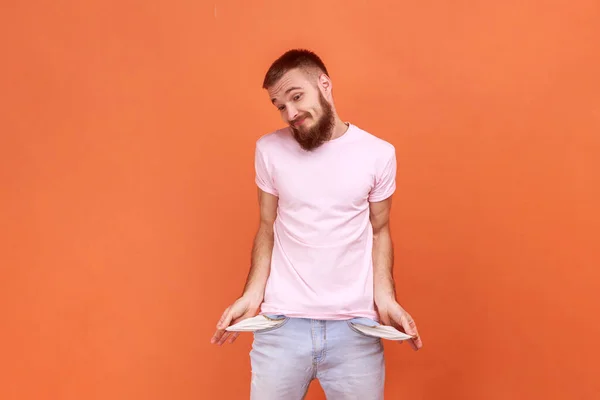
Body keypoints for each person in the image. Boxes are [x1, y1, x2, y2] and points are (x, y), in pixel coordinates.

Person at [211, 49, 422, 399]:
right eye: (280, 105)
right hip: (281, 327)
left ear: (324, 84)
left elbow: (380, 230)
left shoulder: (378, 153)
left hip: (355, 330)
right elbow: (267, 226)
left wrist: (385, 298)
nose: (290, 113)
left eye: (296, 97)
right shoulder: (269, 149)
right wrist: (251, 294)